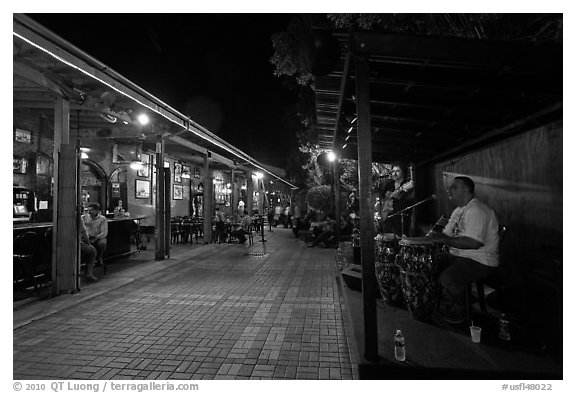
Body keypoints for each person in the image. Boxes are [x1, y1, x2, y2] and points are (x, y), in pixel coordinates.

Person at [427, 176, 499, 324]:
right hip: (458, 255)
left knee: (448, 278)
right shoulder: (458, 211)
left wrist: (444, 239)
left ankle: (463, 307)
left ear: (466, 190)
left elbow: (474, 243)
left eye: (454, 187)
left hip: (479, 259)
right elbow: (446, 235)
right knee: (427, 264)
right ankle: (453, 298)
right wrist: (432, 238)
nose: (449, 190)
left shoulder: (478, 210)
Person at [380, 163, 414, 235]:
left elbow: (410, 201)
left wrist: (399, 197)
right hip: (387, 217)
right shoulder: (389, 184)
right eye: (393, 171)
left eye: (397, 171)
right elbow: (382, 197)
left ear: (403, 172)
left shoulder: (407, 184)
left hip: (402, 218)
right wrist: (387, 197)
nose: (394, 173)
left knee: (401, 238)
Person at [82, 202, 108, 266]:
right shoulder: (84, 217)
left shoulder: (102, 219)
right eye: (88, 210)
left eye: (91, 210)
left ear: (97, 211)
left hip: (98, 237)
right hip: (87, 237)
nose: (89, 212)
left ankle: (98, 259)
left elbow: (104, 232)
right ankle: (88, 261)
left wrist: (96, 238)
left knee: (102, 244)